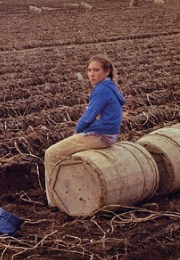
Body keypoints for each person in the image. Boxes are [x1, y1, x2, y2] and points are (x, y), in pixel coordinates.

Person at [44, 54, 127, 206]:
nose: (91, 74)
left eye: (96, 70)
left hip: (99, 135)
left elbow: (88, 117)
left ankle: (55, 201)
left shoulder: (101, 89)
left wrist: (77, 132)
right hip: (109, 134)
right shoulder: (110, 87)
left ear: (107, 71)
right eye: (89, 70)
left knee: (52, 153)